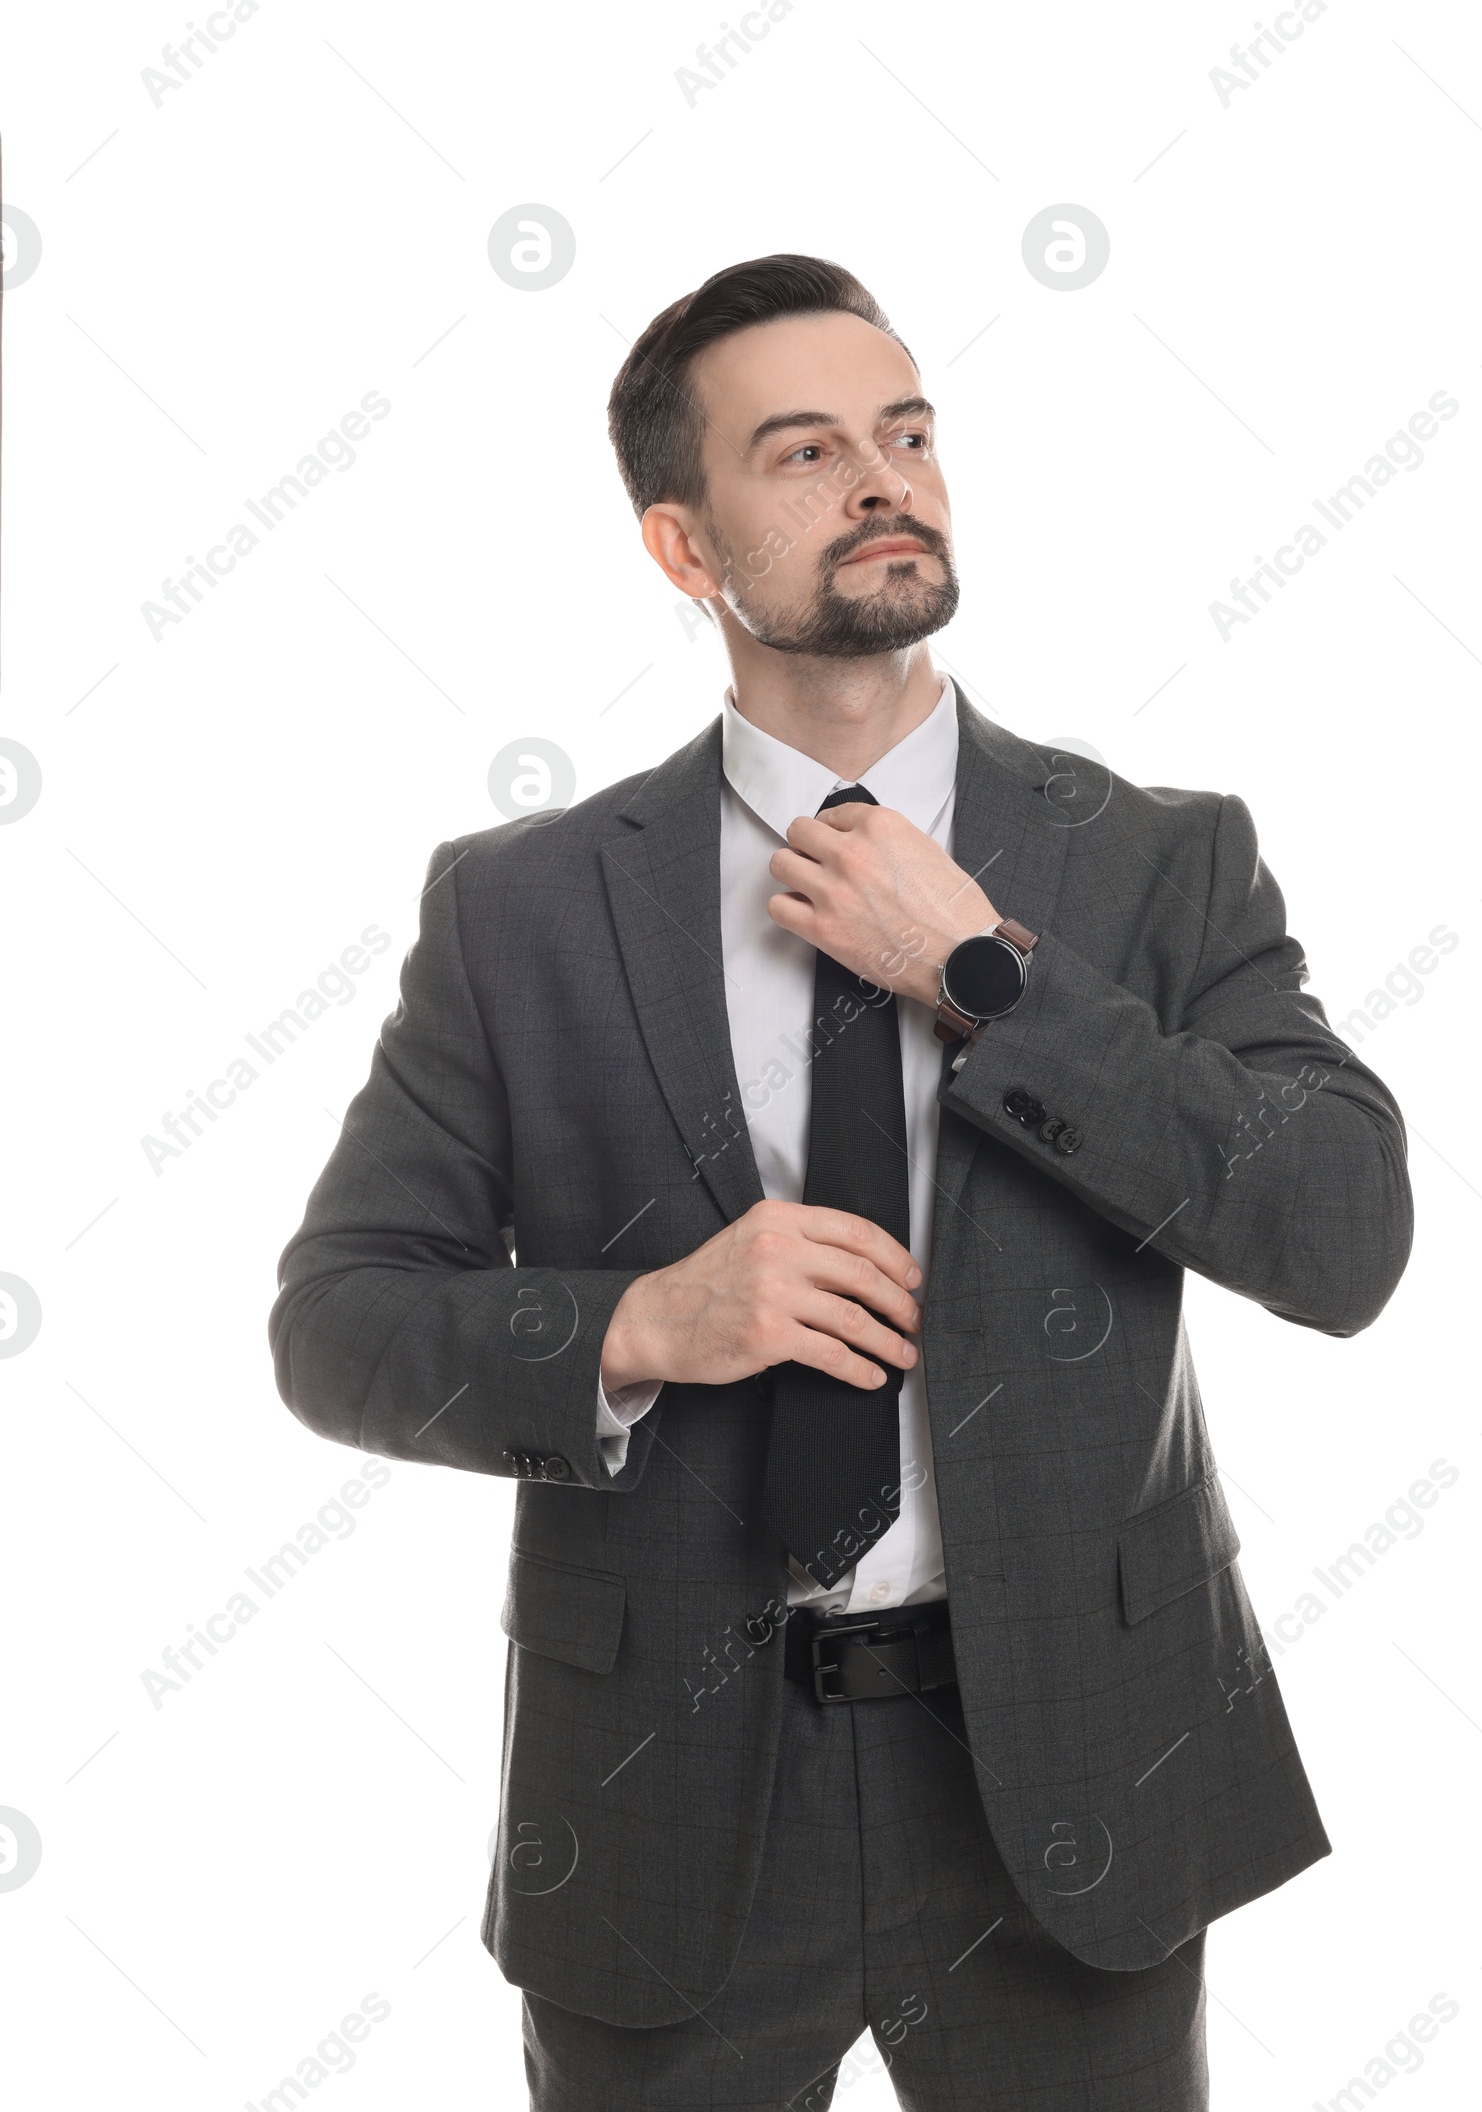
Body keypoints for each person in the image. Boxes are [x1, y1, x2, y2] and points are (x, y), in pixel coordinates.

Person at [269, 253, 1413, 2110]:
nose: (883, 479)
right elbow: (337, 1324)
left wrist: (993, 980)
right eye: (803, 452)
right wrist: (643, 1322)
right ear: (682, 546)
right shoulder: (524, 907)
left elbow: (1345, 1234)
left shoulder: (1159, 859)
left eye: (905, 433)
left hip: (1074, 1781)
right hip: (665, 1795)